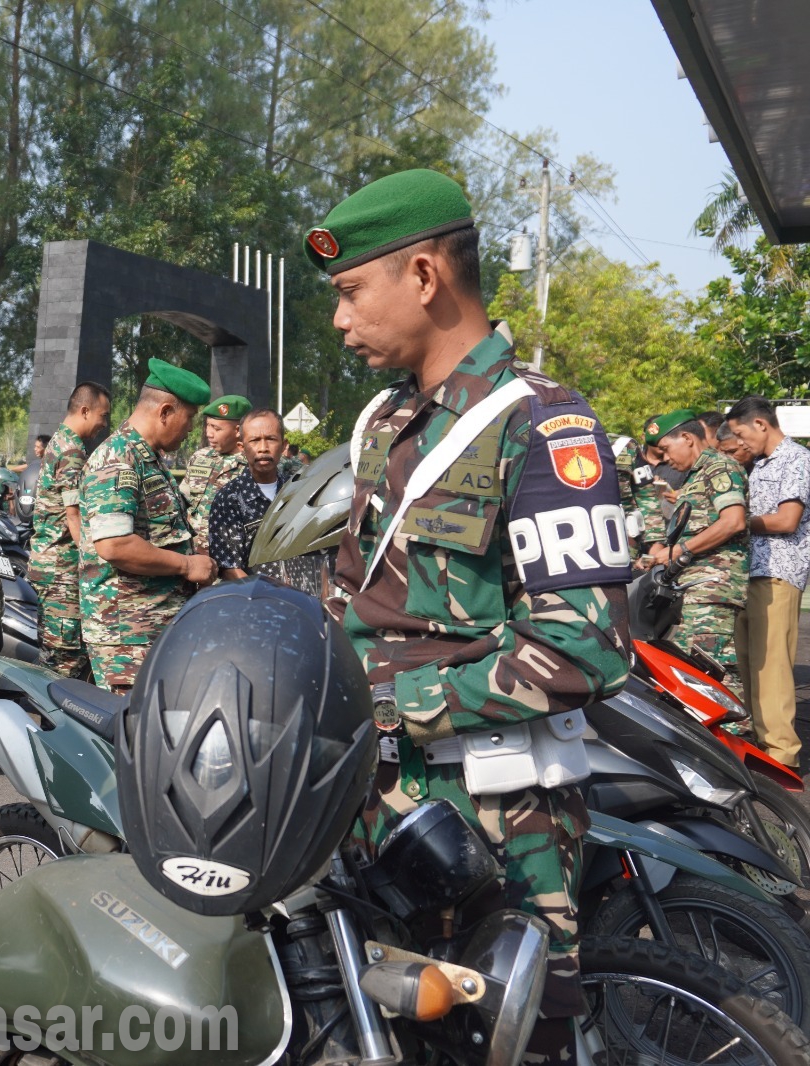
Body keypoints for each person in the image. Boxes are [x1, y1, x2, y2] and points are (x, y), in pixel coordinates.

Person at [310, 169, 632, 1062]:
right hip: (382, 807)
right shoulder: (385, 422)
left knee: (506, 1043)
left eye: (349, 293)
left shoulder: (543, 423)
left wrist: (394, 706)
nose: (340, 320)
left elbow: (588, 645)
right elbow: (354, 600)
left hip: (501, 822)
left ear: (423, 277)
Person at [78, 358, 214, 693]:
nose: (191, 430)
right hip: (128, 637)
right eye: (190, 419)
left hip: (153, 629)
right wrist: (186, 564)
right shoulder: (118, 458)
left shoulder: (146, 458)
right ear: (166, 411)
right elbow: (115, 545)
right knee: (136, 735)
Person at [727, 397, 810, 769]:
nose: (741, 442)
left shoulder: (796, 458)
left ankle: (782, 754)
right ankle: (763, 746)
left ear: (761, 424)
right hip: (754, 572)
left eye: (741, 433)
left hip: (778, 572)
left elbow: (787, 520)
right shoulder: (760, 465)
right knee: (750, 663)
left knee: (771, 667)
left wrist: (737, 522)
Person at [644, 410, 749, 694]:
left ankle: (736, 736)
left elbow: (733, 521)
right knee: (697, 667)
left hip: (713, 587)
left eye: (665, 449)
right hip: (695, 586)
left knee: (712, 672)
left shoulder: (719, 467)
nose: (665, 458)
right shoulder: (695, 476)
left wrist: (678, 550)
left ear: (688, 438)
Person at [28, 382, 111, 681]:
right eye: (103, 416)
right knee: (65, 665)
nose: (104, 424)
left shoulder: (59, 441)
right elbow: (73, 515)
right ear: (85, 410)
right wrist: (95, 563)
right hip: (61, 571)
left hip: (48, 566)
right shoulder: (73, 449)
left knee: (53, 657)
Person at [207, 408, 288, 580]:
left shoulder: (295, 491)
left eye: (271, 439)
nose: (263, 448)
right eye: (255, 440)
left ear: (284, 445)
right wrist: (266, 596)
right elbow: (229, 568)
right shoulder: (229, 498)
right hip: (253, 601)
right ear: (242, 447)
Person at [180, 395, 250, 554]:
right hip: (194, 555)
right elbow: (181, 501)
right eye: (208, 426)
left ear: (238, 430)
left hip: (233, 558)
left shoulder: (252, 465)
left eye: (217, 428)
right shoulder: (200, 458)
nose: (209, 434)